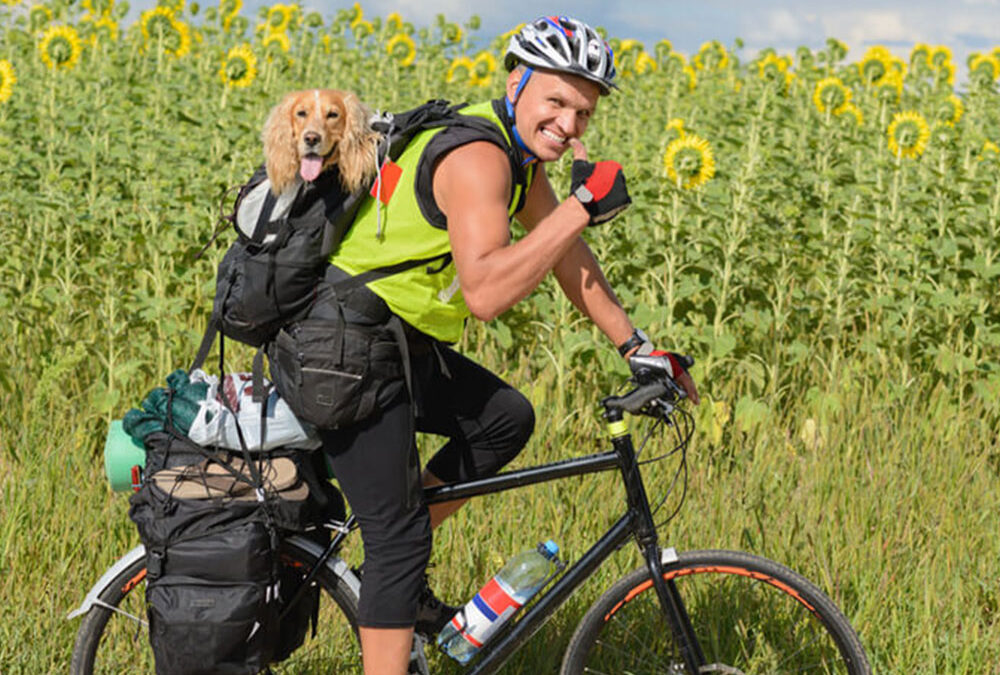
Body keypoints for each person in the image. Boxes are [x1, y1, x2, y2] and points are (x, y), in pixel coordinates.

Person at [319, 16, 700, 674]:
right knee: (397, 542)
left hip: (395, 343)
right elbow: (487, 294)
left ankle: (386, 572)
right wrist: (581, 206)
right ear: (516, 83)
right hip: (344, 344)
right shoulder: (478, 157)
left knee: (504, 418)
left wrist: (637, 346)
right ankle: (393, 566)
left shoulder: (517, 159)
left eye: (583, 113)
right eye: (556, 101)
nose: (568, 124)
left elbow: (566, 255)